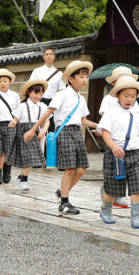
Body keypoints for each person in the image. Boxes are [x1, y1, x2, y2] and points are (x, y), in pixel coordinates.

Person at [26, 60, 93, 215]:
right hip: (65, 133)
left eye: (86, 77)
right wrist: (33, 129)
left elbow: (83, 120)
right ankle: (64, 203)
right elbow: (48, 112)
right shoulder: (61, 95)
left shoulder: (81, 99)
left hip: (77, 132)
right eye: (81, 76)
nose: (84, 79)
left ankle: (62, 191)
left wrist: (100, 127)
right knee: (69, 169)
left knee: (81, 170)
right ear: (71, 78)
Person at [99, 76, 139, 228]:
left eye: (133, 96)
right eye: (126, 95)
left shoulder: (135, 114)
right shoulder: (111, 113)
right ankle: (105, 210)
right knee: (114, 187)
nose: (129, 99)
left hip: (135, 154)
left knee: (137, 186)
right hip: (116, 155)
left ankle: (135, 217)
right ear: (118, 94)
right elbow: (105, 132)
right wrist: (113, 147)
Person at [97, 66, 139, 209]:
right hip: (114, 139)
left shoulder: (132, 99)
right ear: (114, 82)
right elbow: (106, 122)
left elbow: (136, 119)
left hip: (130, 142)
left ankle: (119, 196)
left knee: (128, 174)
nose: (129, 98)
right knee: (114, 173)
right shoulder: (108, 100)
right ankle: (109, 193)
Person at [8, 78, 48, 191]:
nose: (38, 96)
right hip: (24, 133)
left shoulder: (43, 106)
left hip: (38, 133)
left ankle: (21, 177)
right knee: (28, 157)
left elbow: (47, 120)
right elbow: (16, 118)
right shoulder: (23, 106)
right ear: (29, 92)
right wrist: (13, 122)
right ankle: (24, 181)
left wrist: (44, 130)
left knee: (32, 158)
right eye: (36, 92)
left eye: (41, 93)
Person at [0, 68, 22, 185]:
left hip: (10, 124)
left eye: (5, 81)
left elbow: (19, 110)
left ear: (10, 82)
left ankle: (7, 171)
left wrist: (15, 120)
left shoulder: (14, 95)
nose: (2, 83)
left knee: (9, 150)